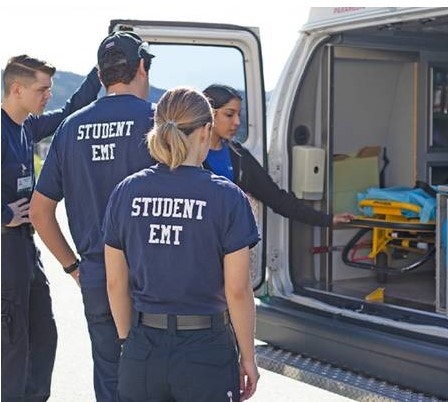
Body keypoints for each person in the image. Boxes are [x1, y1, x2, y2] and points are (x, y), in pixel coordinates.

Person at [103, 87, 260, 402]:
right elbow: (238, 290)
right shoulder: (227, 197)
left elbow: (115, 282)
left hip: (143, 347)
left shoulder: (126, 192)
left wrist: (128, 342)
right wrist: (248, 356)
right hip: (205, 350)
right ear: (205, 131)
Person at [29, 31, 155, 401]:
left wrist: (73, 267)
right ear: (142, 68)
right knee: (158, 377)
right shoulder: (159, 122)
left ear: (101, 78)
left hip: (97, 274)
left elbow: (39, 211)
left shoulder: (71, 128)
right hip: (155, 274)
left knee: (111, 377)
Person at [1, 54, 101, 401]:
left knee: (44, 335)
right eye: (42, 90)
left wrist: (100, 70)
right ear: (17, 89)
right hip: (5, 253)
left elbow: (72, 110)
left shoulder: (26, 126)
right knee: (13, 347)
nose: (48, 96)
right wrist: (3, 214)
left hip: (26, 250)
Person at [202, 84, 355, 226]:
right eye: (229, 115)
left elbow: (277, 199)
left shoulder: (239, 157)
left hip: (228, 244)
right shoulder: (186, 156)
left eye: (238, 115)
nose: (237, 122)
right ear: (210, 115)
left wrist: (328, 219)